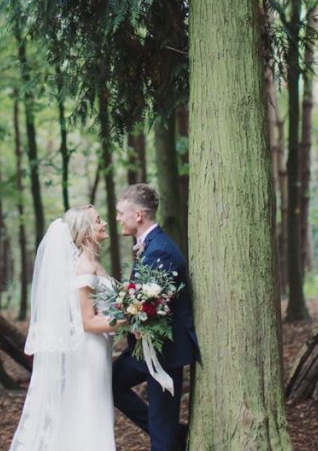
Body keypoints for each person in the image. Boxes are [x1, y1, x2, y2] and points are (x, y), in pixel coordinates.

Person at [9, 205, 122, 451]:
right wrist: (131, 318)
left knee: (95, 409)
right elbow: (88, 322)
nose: (104, 224)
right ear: (85, 232)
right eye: (98, 221)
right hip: (89, 351)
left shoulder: (94, 264)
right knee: (90, 410)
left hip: (100, 348)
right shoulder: (84, 268)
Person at [112, 184, 201, 451]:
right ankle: (177, 435)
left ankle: (170, 438)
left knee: (161, 431)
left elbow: (154, 305)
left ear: (138, 215)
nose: (117, 218)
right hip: (143, 350)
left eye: (120, 213)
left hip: (165, 352)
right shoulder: (148, 245)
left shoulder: (160, 249)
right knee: (110, 384)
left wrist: (130, 316)